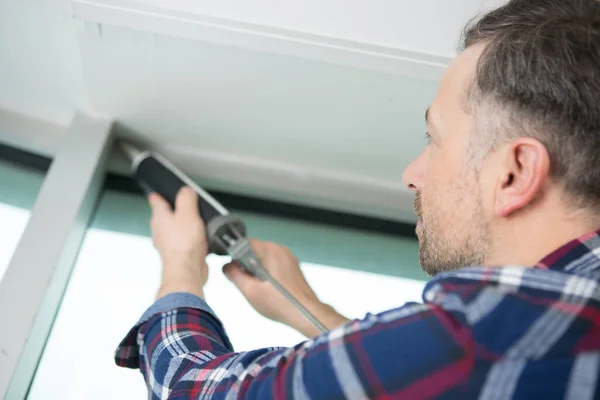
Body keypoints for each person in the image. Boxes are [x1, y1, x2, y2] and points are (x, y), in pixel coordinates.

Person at [115, 0, 600, 398]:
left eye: (434, 139)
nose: (413, 174)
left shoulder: (483, 335)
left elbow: (197, 392)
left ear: (514, 173)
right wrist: (306, 307)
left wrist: (180, 266)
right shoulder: (538, 337)